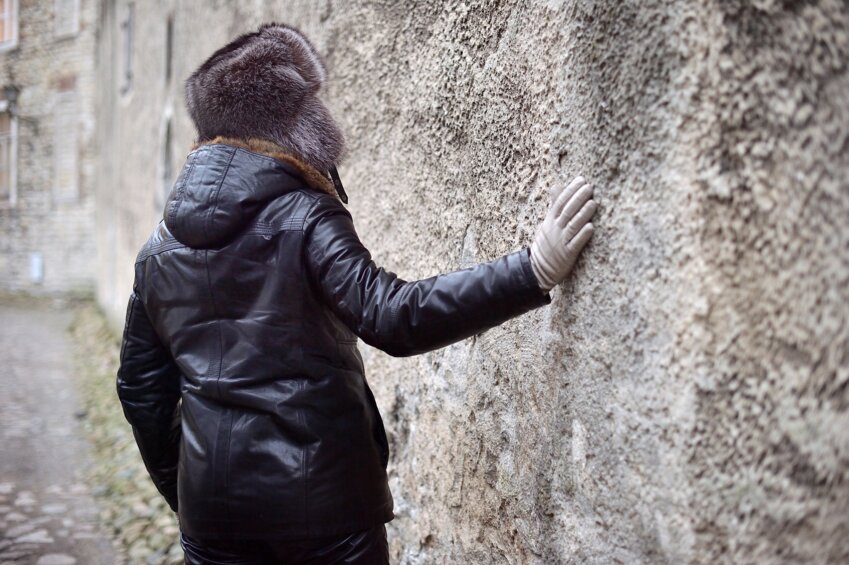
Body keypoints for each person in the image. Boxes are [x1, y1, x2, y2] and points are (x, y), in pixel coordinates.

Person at [115, 22, 596, 565]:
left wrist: (190, 492)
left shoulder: (157, 250)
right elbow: (392, 315)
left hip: (214, 520)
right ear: (292, 124)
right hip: (326, 512)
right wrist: (532, 269)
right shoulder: (305, 217)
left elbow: (140, 390)